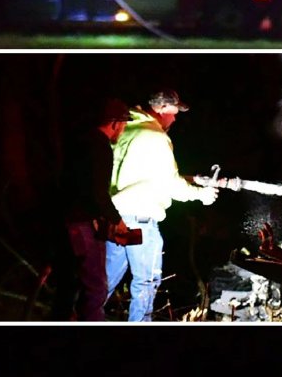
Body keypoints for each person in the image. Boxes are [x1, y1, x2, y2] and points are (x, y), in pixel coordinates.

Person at [105, 89, 219, 322]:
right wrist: (202, 195)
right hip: (141, 221)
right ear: (162, 108)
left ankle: (81, 317)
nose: (175, 118)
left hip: (115, 217)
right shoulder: (156, 137)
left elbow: (139, 173)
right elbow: (170, 184)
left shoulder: (128, 130)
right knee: (146, 282)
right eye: (174, 112)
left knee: (104, 281)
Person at [48, 98, 133, 321]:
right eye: (123, 125)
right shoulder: (101, 147)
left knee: (69, 285)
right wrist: (116, 220)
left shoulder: (79, 142)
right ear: (114, 123)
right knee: (96, 288)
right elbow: (98, 192)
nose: (123, 130)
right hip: (83, 225)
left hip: (66, 222)